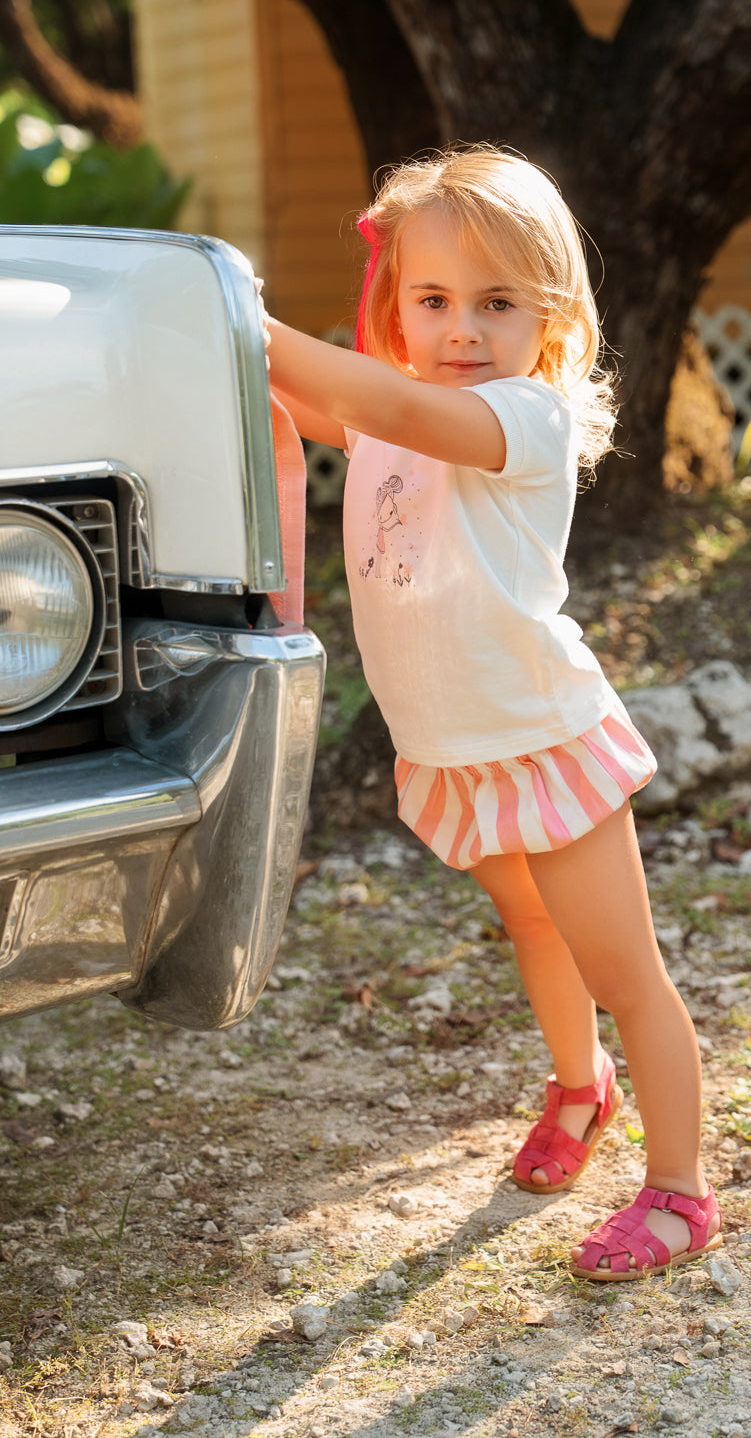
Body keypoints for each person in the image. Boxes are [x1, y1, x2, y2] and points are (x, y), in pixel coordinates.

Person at [264, 146, 721, 1281]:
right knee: (531, 929)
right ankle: (581, 1087)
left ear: (549, 318)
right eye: (432, 301)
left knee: (624, 974)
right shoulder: (406, 412)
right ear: (397, 306)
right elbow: (329, 402)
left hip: (538, 742)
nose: (462, 328)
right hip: (457, 749)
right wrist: (243, 363)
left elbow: (362, 392)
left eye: (496, 302)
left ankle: (680, 1190)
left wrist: (248, 322)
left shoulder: (525, 418)